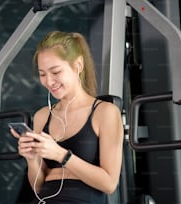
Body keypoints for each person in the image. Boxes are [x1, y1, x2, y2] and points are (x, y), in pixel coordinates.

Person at [10, 31, 124, 204]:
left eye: (55, 72)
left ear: (78, 65)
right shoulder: (42, 116)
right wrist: (32, 160)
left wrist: (61, 155)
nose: (48, 81)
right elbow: (38, 187)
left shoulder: (105, 112)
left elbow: (109, 184)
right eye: (42, 74)